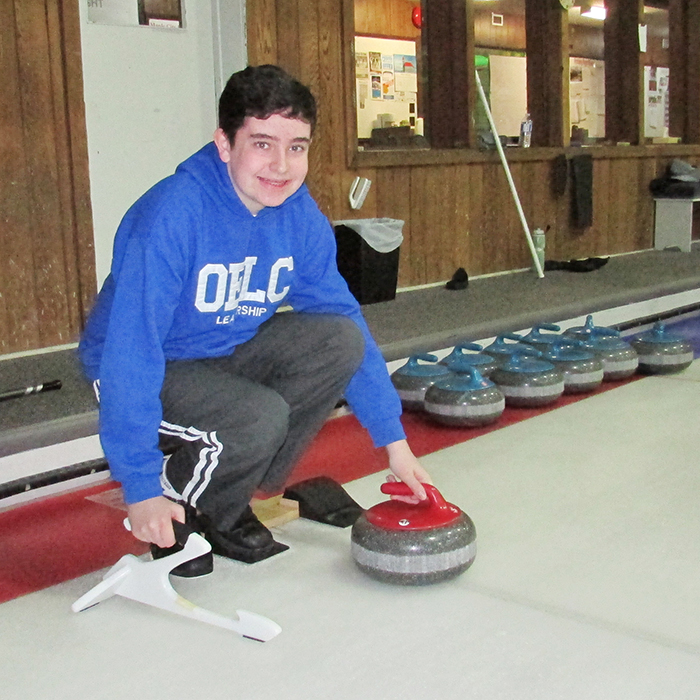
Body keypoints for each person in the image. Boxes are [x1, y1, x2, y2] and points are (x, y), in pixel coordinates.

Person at [79, 64, 431, 575]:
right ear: (224, 144)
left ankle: (234, 490)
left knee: (338, 340)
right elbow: (132, 352)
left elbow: (343, 316)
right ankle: (179, 503)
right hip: (141, 365)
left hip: (220, 351)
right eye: (262, 144)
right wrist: (137, 488)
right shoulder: (171, 216)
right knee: (258, 414)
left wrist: (393, 444)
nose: (282, 166)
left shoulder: (299, 216)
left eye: (297, 147)